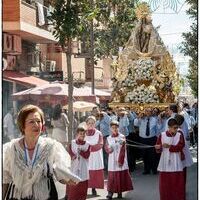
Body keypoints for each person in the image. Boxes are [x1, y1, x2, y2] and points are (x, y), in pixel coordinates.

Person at [3, 104, 81, 200]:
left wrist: (68, 179)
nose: (36, 125)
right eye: (31, 122)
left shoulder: (52, 146)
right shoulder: (10, 149)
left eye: (38, 121)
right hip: (17, 196)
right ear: (22, 125)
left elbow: (61, 174)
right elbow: (5, 179)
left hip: (46, 195)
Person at [155, 118, 185, 200]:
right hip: (164, 161)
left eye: (177, 127)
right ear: (169, 127)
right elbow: (158, 147)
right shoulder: (162, 135)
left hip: (176, 161)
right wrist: (158, 147)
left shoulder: (179, 135)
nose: (176, 129)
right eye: (174, 128)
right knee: (165, 183)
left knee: (177, 182)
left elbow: (181, 146)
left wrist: (169, 146)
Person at [105, 120, 133, 199]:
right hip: (112, 160)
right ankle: (110, 192)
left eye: (116, 127)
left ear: (118, 128)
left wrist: (120, 160)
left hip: (120, 158)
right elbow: (106, 148)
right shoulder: (108, 138)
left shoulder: (122, 137)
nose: (115, 129)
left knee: (120, 175)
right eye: (113, 128)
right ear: (110, 128)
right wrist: (109, 150)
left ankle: (119, 191)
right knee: (112, 176)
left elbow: (123, 150)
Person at [67, 127, 90, 200]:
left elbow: (87, 155)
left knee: (82, 185)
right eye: (80, 134)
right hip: (74, 165)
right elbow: (70, 152)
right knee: (74, 184)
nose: (82, 135)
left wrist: (81, 152)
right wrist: (72, 156)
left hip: (83, 166)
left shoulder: (87, 144)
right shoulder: (73, 143)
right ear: (77, 134)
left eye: (84, 134)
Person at [134, 108, 159, 174]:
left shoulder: (154, 120)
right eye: (146, 111)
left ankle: (154, 169)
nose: (148, 113)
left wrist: (157, 139)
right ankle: (146, 170)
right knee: (144, 155)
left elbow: (157, 130)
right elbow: (135, 124)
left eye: (149, 111)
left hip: (152, 139)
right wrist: (138, 117)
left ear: (151, 113)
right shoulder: (141, 119)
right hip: (143, 139)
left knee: (153, 155)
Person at [85, 116, 104, 195]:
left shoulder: (98, 133)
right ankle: (85, 188)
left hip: (96, 155)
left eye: (92, 123)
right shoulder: (83, 132)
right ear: (86, 124)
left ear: (95, 123)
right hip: (86, 155)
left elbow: (100, 144)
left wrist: (89, 148)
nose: (91, 125)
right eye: (89, 123)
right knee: (86, 172)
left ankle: (94, 188)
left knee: (94, 171)